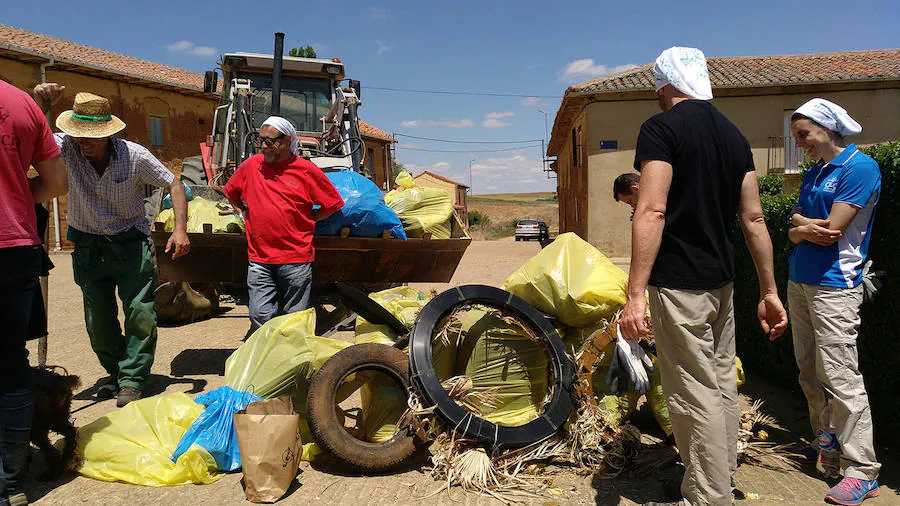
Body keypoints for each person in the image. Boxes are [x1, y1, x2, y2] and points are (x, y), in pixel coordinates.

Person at [618, 47, 788, 506]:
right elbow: (754, 219)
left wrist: (635, 296)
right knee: (719, 385)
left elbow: (651, 208)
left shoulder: (661, 128)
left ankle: (709, 497)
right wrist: (769, 291)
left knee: (695, 394)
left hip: (679, 285)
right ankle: (717, 474)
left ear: (666, 85)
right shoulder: (733, 135)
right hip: (723, 284)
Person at [34, 84, 190, 407]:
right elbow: (41, 143)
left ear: (108, 133)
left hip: (130, 245)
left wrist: (180, 230)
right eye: (78, 134)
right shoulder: (68, 148)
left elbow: (174, 183)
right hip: (89, 246)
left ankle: (132, 378)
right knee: (98, 322)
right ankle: (117, 373)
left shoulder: (134, 155)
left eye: (91, 136)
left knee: (140, 314)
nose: (83, 142)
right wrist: (45, 106)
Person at [787, 98, 881, 505]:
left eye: (804, 135)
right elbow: (794, 224)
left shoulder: (860, 168)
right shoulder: (817, 172)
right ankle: (824, 441)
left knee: (841, 376)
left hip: (835, 285)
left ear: (826, 128)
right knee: (809, 369)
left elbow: (833, 230)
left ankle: (862, 470)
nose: (800, 144)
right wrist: (803, 228)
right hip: (800, 279)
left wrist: (802, 227)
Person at [0, 78, 68, 506]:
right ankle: (9, 483)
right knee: (9, 365)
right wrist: (17, 201)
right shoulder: (20, 103)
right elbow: (56, 183)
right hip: (14, 248)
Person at [223, 116, 344, 333]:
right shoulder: (251, 166)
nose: (263, 146)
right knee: (260, 314)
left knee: (294, 319)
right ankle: (268, 354)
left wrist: (311, 219)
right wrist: (243, 213)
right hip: (259, 257)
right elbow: (231, 193)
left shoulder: (306, 170)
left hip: (296, 258)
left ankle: (290, 359)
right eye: (260, 140)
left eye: (269, 141)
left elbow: (333, 203)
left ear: (287, 140)